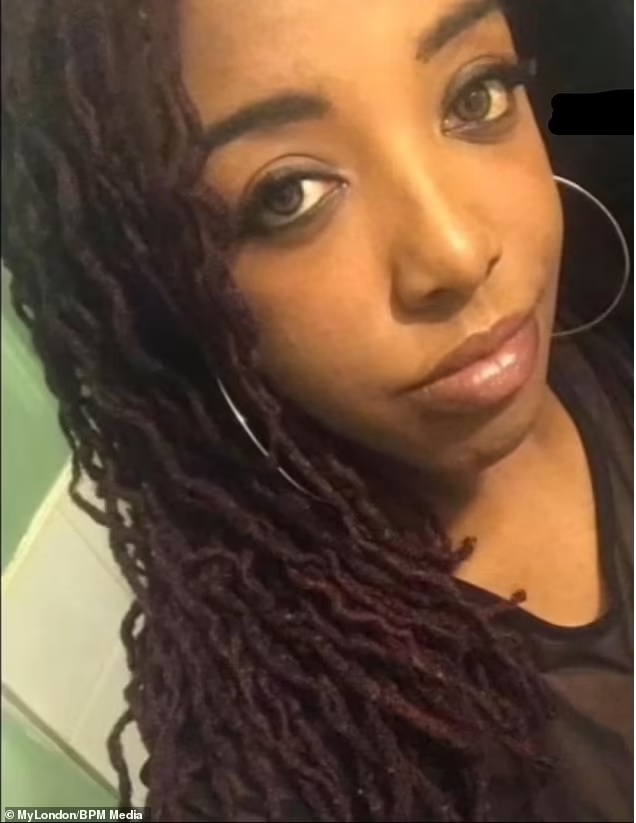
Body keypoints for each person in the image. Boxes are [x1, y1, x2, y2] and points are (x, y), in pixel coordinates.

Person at [1, 0, 632, 820]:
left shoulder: (607, 341)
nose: (457, 252)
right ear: (166, 295)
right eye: (288, 194)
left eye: (474, 93)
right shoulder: (296, 767)